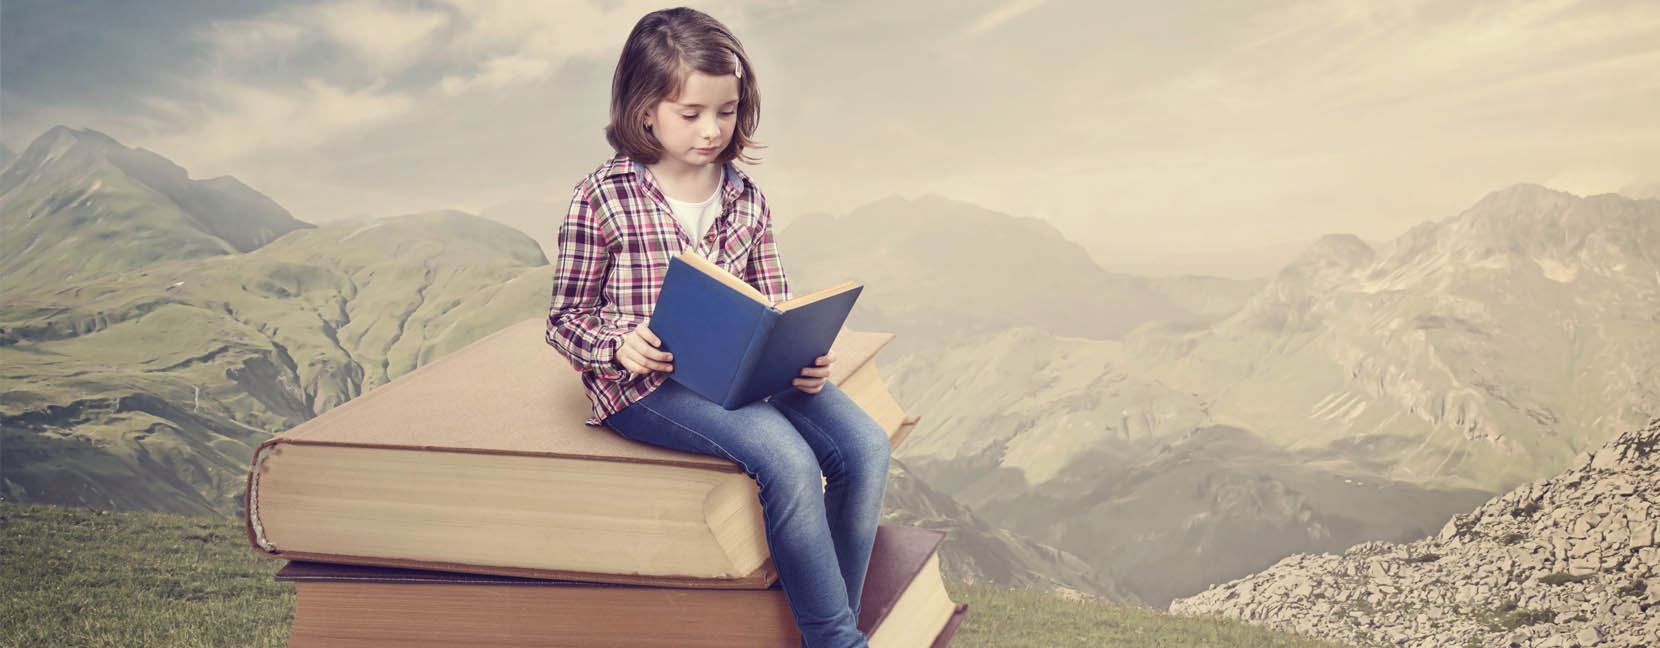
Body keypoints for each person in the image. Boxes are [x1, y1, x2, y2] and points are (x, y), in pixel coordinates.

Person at [543, 7, 889, 648]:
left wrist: (806, 356)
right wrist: (618, 344)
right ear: (646, 110)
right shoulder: (602, 197)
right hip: (650, 385)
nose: (712, 130)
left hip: (746, 372)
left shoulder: (746, 196)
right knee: (785, 459)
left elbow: (777, 301)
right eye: (691, 113)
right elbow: (565, 318)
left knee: (865, 448)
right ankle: (837, 639)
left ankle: (834, 619)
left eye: (726, 111)